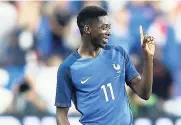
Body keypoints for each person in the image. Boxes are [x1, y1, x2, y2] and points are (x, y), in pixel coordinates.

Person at [55, 6, 155, 125]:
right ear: (87, 29)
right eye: (104, 28)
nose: (109, 32)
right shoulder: (68, 68)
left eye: (109, 27)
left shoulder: (118, 53)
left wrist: (148, 58)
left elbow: (144, 94)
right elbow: (61, 114)